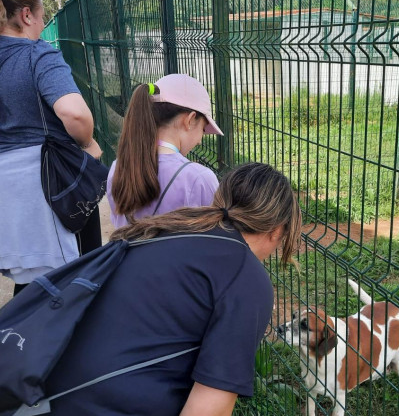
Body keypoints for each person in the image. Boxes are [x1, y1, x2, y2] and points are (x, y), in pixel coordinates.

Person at [44, 162, 302, 415]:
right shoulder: (246, 276)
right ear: (278, 230)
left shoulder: (162, 230)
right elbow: (211, 405)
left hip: (48, 384)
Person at [0, 0, 103, 296]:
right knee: (78, 269)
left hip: (1, 180)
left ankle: (29, 338)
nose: (40, 25)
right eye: (40, 17)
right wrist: (87, 145)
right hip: (52, 180)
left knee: (29, 277)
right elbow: (75, 114)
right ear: (26, 15)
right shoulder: (37, 53)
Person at [107, 75, 223, 228]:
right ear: (189, 120)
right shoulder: (199, 179)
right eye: (203, 129)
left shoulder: (118, 167)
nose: (200, 140)